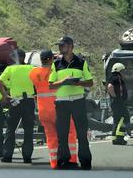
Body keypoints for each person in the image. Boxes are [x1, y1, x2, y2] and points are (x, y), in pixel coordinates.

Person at [49, 36, 93, 170]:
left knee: (81, 132)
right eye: (59, 45)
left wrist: (77, 82)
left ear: (70, 46)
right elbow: (51, 85)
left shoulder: (81, 62)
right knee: (62, 133)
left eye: (62, 45)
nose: (60, 48)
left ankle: (85, 161)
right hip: (61, 103)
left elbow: (90, 82)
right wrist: (63, 82)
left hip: (78, 101)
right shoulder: (56, 64)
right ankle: (63, 160)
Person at [30, 49, 78, 169]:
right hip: (59, 108)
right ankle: (71, 160)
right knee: (69, 133)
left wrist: (52, 59)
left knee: (51, 137)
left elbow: (42, 71)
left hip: (44, 111)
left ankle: (54, 163)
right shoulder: (57, 71)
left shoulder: (33, 73)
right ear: (52, 59)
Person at [0, 49, 36, 163]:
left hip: (15, 101)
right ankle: (27, 157)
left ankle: (7, 156)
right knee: (28, 130)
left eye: (13, 57)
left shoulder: (10, 69)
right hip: (29, 101)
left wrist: (5, 96)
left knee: (11, 129)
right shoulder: (32, 68)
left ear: (18, 58)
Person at [107, 62, 129, 146]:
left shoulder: (116, 78)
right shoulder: (115, 78)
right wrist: (115, 97)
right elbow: (110, 86)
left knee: (117, 120)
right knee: (124, 118)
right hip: (118, 103)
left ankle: (115, 138)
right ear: (118, 71)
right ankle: (119, 138)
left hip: (117, 102)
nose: (124, 73)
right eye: (122, 71)